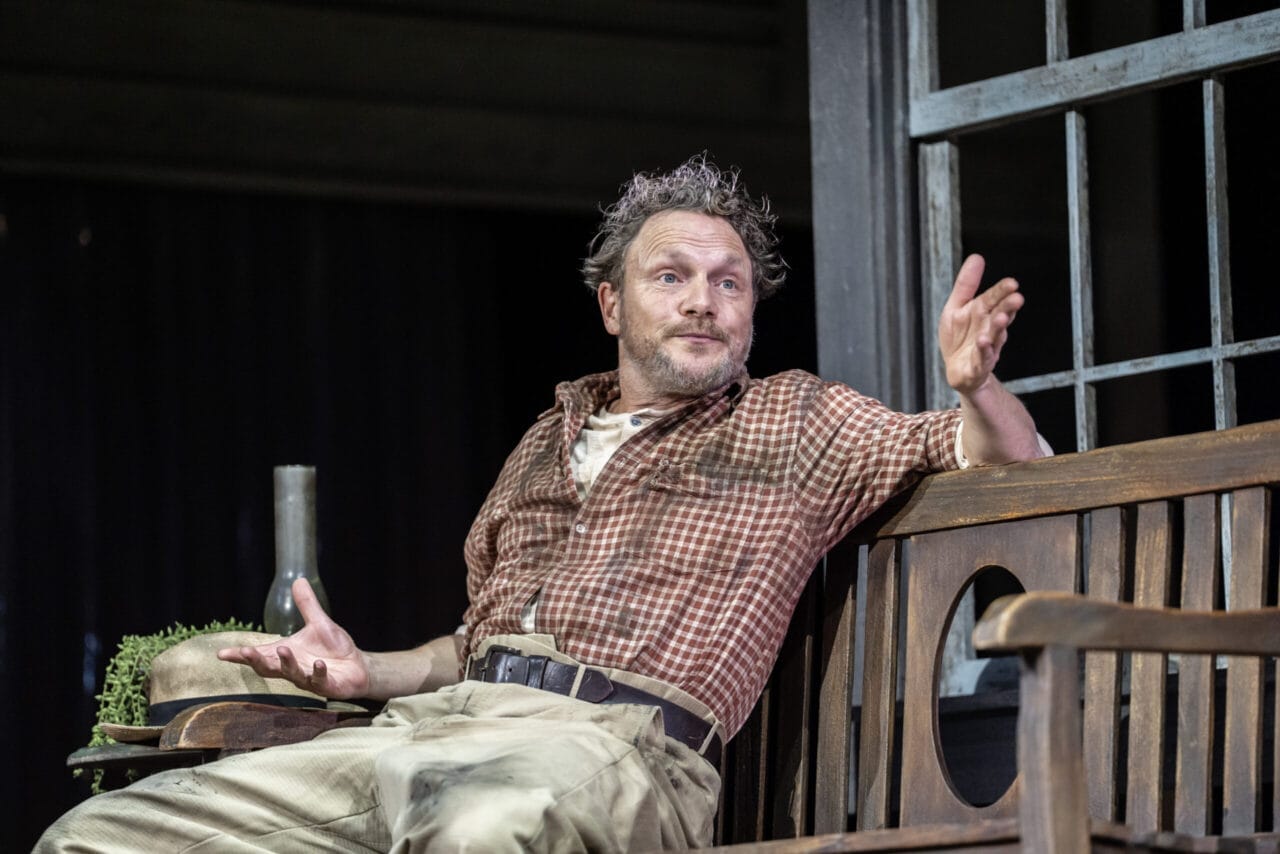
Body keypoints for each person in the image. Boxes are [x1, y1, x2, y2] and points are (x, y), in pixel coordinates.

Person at [37, 154, 1046, 853]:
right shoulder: (541, 440)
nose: (704, 298)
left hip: (615, 749)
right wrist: (361, 669)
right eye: (672, 275)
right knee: (105, 832)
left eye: (728, 282)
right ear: (612, 303)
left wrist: (973, 386)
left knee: (484, 831)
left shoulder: (799, 420)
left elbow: (1003, 458)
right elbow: (473, 641)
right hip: (430, 727)